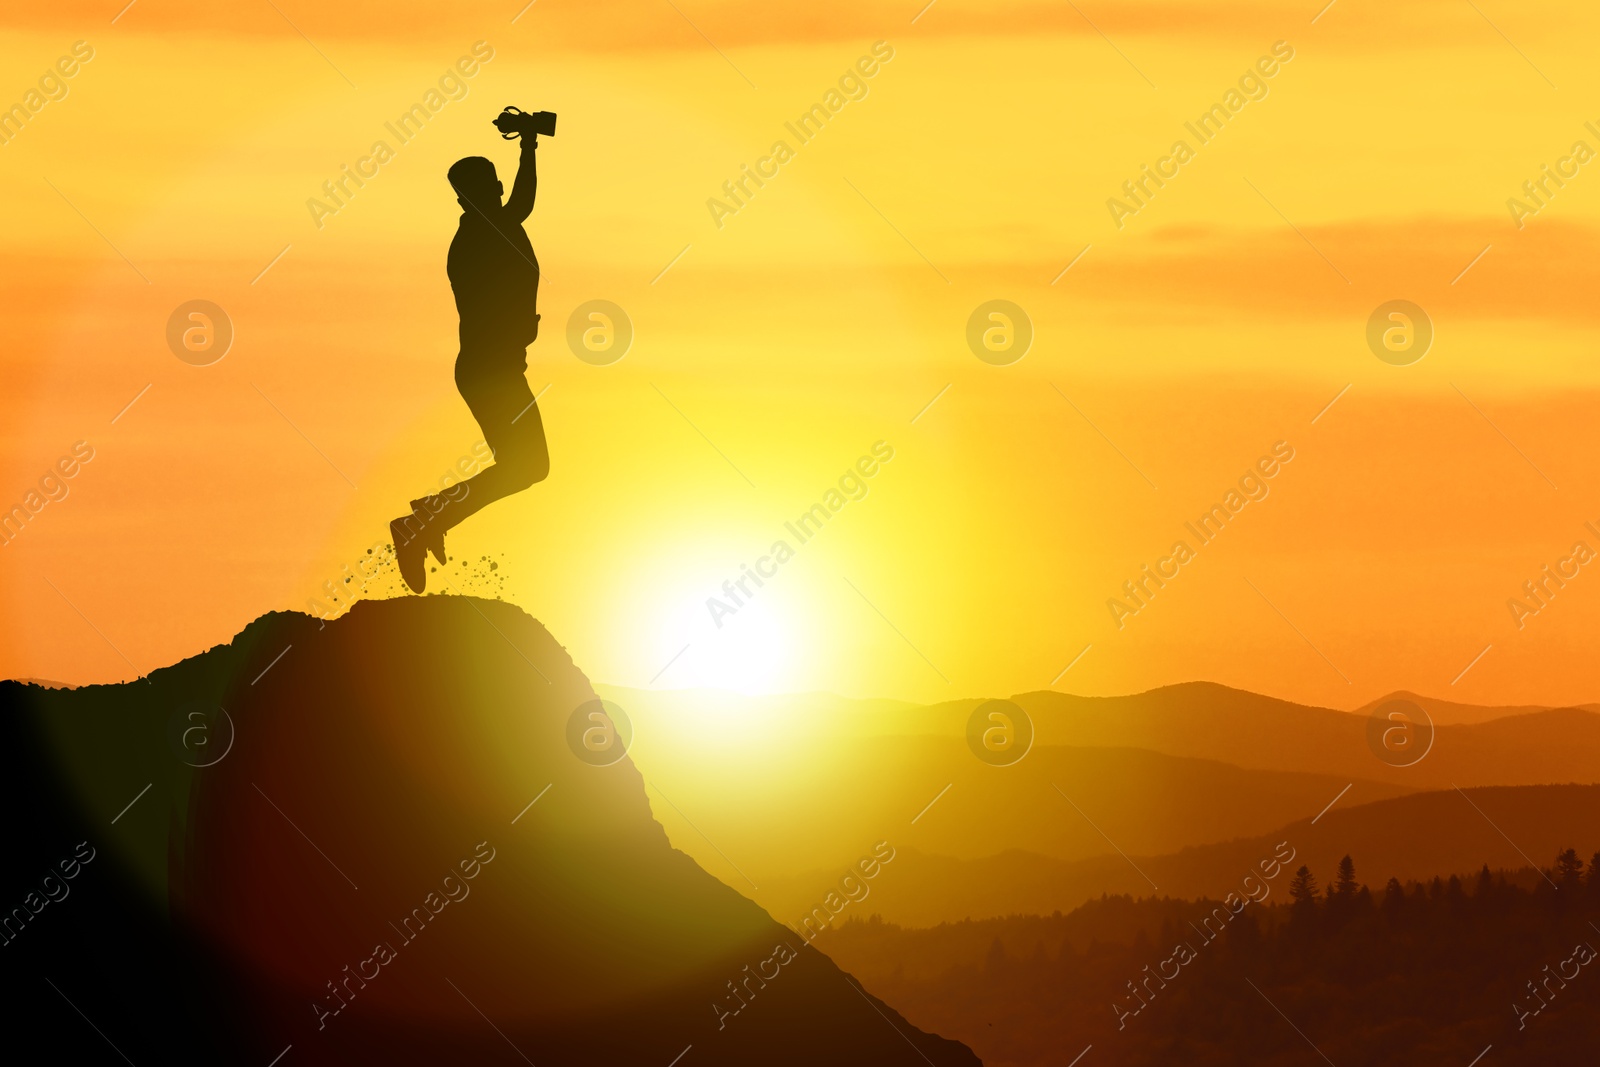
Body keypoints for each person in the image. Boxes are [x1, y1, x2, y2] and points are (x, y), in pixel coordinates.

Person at [390, 113, 549, 593]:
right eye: (483, 189)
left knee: (526, 466)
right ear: (468, 197)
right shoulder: (485, 231)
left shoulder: (490, 227)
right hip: (491, 371)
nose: (494, 194)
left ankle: (429, 519)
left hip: (494, 369)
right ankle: (421, 522)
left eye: (491, 186)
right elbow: (523, 202)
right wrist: (528, 145)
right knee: (529, 466)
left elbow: (519, 206)